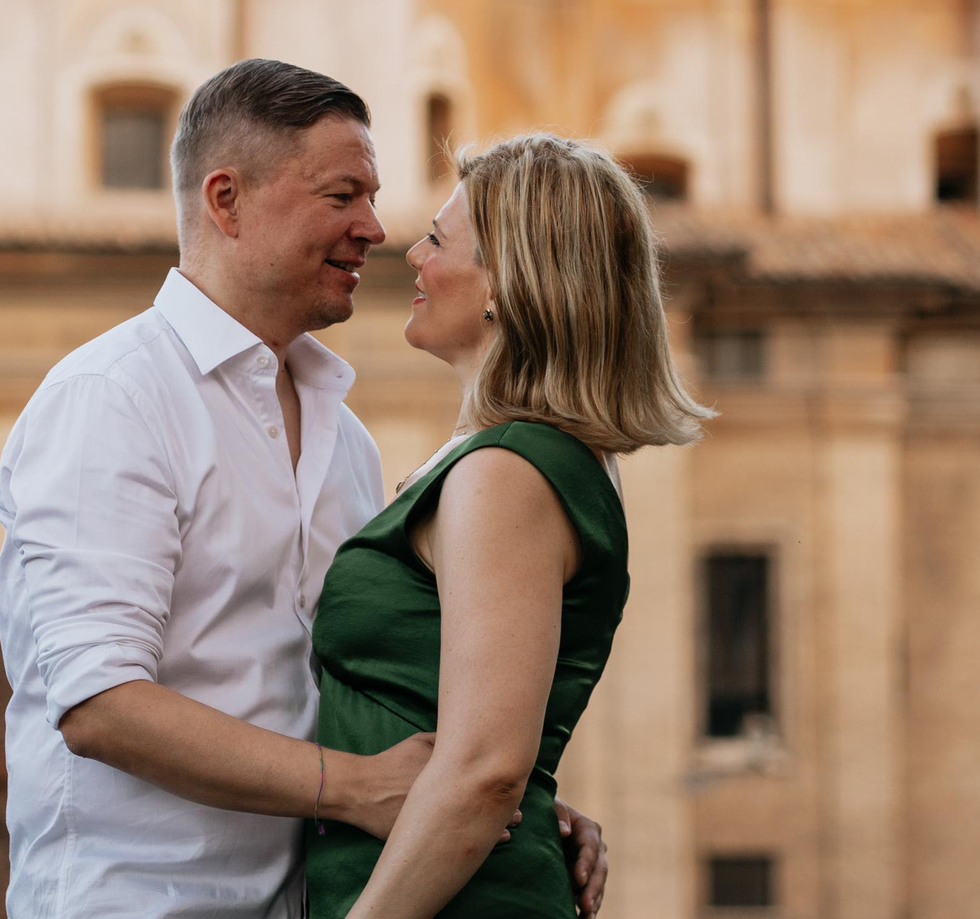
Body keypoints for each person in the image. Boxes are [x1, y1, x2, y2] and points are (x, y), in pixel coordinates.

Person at [0, 61, 607, 919]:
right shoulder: (113, 396)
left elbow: (349, 689)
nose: (375, 228)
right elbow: (100, 705)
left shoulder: (343, 437)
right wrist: (357, 787)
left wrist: (488, 803)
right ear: (226, 200)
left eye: (372, 198)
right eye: (342, 195)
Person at [305, 134, 713, 919]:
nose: (412, 255)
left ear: (506, 281)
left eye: (437, 237)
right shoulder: (525, 460)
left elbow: (486, 769)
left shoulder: (507, 471)